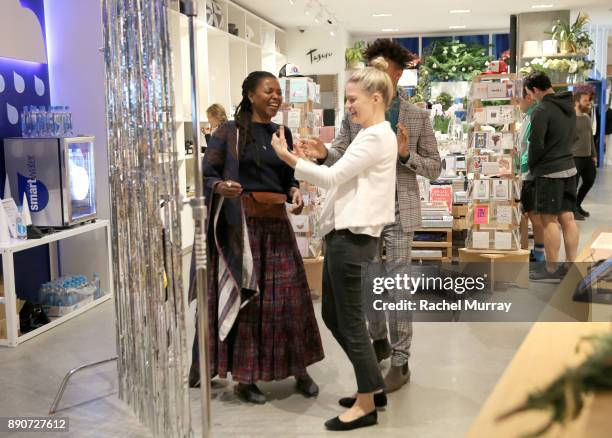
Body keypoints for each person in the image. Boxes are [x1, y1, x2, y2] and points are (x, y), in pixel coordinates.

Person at [298, 38, 441, 393]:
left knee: (397, 287)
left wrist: (406, 156)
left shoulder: (417, 116)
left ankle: (401, 360)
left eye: (385, 70)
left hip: (398, 211)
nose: (379, 75)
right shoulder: (356, 112)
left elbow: (435, 168)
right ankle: (377, 344)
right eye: (373, 68)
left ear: (398, 74)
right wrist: (323, 152)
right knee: (369, 284)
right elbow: (342, 159)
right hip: (360, 211)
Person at [271, 57, 397, 431]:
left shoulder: (375, 135)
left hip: (353, 238)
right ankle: (372, 388)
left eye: (353, 99)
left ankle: (366, 404)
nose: (348, 106)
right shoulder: (374, 134)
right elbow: (344, 171)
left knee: (350, 322)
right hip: (347, 236)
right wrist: (321, 155)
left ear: (376, 97)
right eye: (346, 100)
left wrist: (289, 159)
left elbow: (332, 179)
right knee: (334, 316)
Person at [188, 71, 324, 404]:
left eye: (279, 92)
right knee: (249, 302)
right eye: (269, 91)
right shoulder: (228, 132)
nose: (276, 97)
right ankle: (245, 379)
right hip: (242, 228)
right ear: (250, 95)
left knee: (291, 302)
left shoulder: (283, 132)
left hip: (277, 226)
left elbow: (289, 176)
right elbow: (206, 174)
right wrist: (221, 186)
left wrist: (294, 192)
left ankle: (299, 369)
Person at [524, 72, 579, 281]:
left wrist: (532, 166)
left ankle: (550, 268)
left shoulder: (542, 110)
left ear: (536, 90)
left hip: (549, 172)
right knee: (568, 218)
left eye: (530, 93)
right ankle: (571, 265)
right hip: (570, 168)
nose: (532, 97)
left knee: (549, 221)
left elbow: (536, 145)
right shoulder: (568, 106)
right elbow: (574, 136)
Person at [518, 87, 545, 262]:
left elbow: (531, 146)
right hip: (528, 172)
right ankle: (534, 252)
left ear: (528, 97)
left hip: (531, 174)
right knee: (529, 214)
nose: (516, 104)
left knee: (534, 215)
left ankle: (539, 254)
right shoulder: (529, 115)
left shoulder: (535, 116)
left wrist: (521, 166)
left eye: (518, 99)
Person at [572, 90, 597, 220]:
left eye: (588, 101)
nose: (588, 103)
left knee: (590, 180)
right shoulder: (570, 119)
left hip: (587, 157)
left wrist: (594, 154)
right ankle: (572, 210)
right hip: (575, 157)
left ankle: (578, 204)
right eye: (585, 101)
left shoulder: (587, 118)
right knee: (573, 185)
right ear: (577, 102)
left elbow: (590, 138)